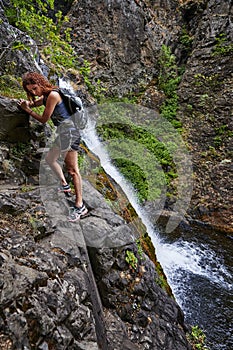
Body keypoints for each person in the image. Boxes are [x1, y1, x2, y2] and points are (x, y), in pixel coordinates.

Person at [18, 71, 88, 222]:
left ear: (41, 83)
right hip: (63, 134)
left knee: (73, 170)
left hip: (70, 134)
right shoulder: (46, 96)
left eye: (35, 88)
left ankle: (80, 206)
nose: (34, 92)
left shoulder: (53, 96)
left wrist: (27, 110)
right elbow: (35, 103)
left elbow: (44, 119)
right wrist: (27, 103)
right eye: (30, 91)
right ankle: (64, 185)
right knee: (50, 159)